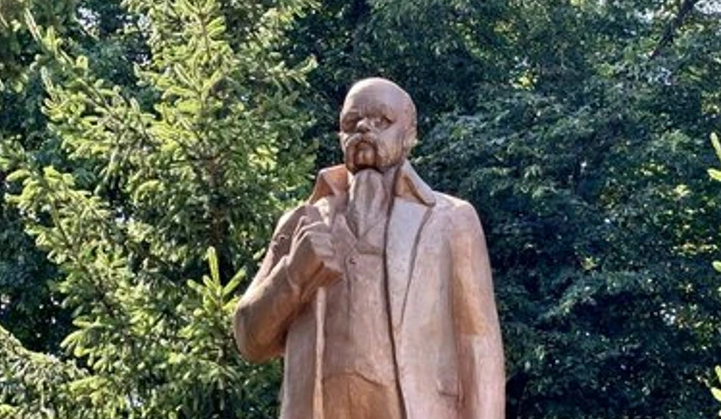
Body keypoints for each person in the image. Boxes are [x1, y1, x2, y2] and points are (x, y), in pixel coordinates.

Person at [233, 77, 505, 419]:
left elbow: (479, 344)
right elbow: (250, 340)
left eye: (382, 120)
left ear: (409, 135)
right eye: (352, 122)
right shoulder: (301, 222)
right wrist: (294, 274)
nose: (364, 128)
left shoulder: (451, 219)